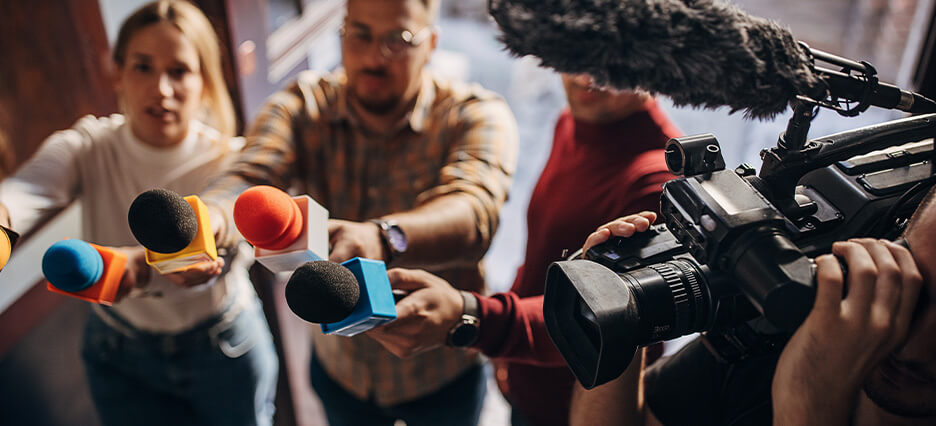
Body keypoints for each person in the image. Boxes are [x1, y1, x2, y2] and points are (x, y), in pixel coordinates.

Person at [198, 0, 518, 424]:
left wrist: (382, 238)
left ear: (431, 43)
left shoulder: (475, 114)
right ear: (342, 33)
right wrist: (213, 220)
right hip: (341, 369)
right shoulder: (305, 104)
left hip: (442, 369)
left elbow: (475, 213)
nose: (373, 57)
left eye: (397, 40)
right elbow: (251, 172)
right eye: (360, 34)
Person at [0, 2, 278, 425]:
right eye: (143, 67)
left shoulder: (230, 161)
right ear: (118, 73)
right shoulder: (88, 145)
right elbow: (22, 192)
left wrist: (191, 259)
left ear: (204, 81)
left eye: (179, 70)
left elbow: (235, 232)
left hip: (222, 346)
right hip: (119, 349)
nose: (161, 89)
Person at [366, 73, 679, 426]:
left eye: (615, 61)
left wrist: (477, 318)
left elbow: (611, 315)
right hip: (528, 378)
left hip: (580, 407)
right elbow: (544, 252)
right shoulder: (573, 121)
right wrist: (508, 344)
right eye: (576, 50)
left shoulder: (659, 176)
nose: (586, 76)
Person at [569, 187, 936, 426]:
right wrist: (621, 320)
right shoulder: (777, 345)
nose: (912, 340)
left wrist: (809, 404)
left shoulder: (812, 362)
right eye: (916, 284)